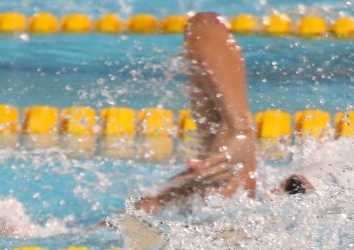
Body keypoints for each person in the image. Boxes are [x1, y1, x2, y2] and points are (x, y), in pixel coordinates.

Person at [134, 11, 314, 214]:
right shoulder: (228, 181)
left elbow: (203, 26)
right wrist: (239, 129)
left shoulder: (226, 182)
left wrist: (239, 130)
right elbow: (203, 25)